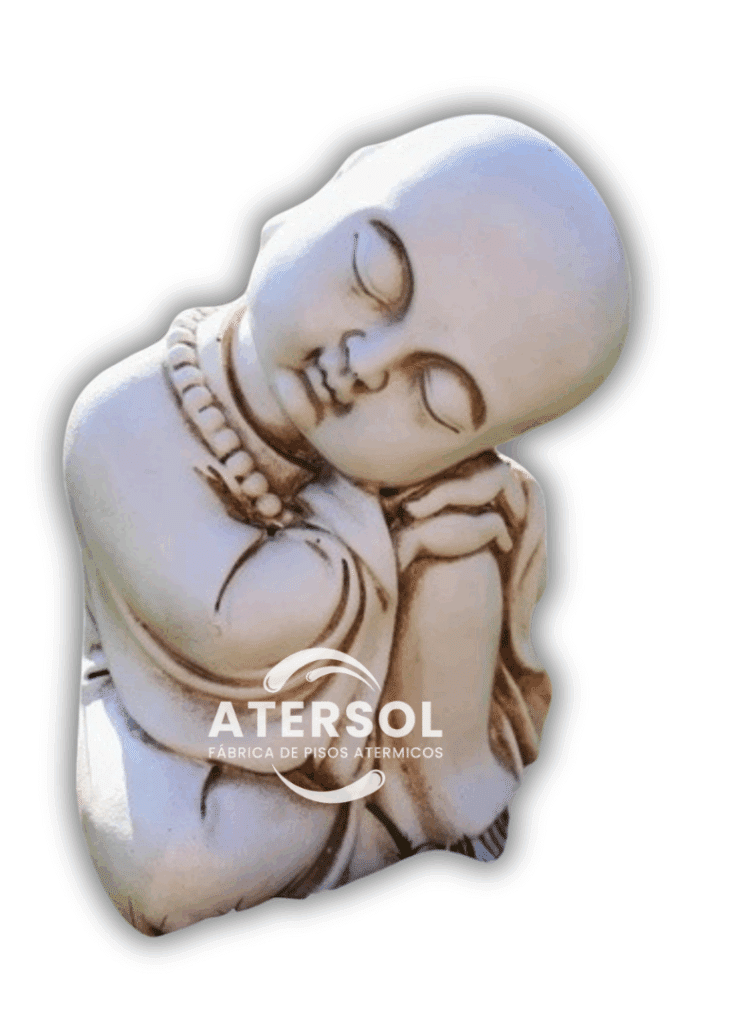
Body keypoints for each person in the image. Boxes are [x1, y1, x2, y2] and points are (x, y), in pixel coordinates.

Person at [64, 114, 629, 935]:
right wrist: (368, 537)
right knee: (167, 866)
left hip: (353, 736)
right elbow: (225, 623)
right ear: (324, 192)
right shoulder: (126, 419)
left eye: (437, 397)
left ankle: (407, 811)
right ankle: (361, 826)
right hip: (174, 723)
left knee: (466, 544)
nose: (364, 365)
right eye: (374, 271)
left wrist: (446, 563)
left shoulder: (430, 491)